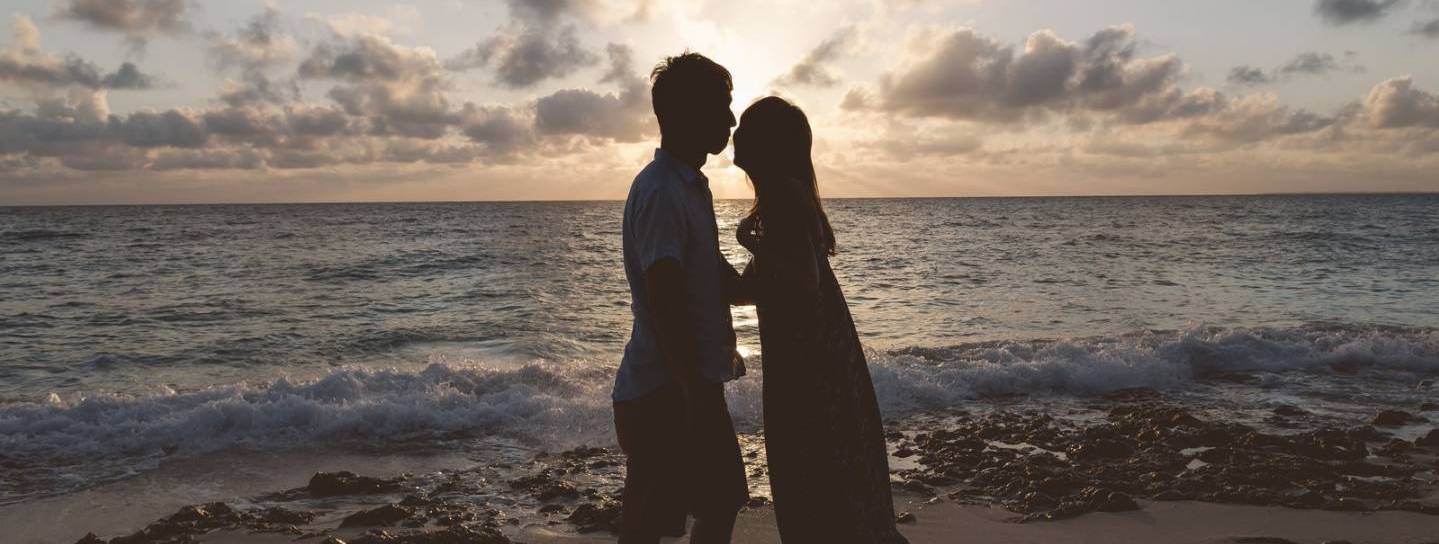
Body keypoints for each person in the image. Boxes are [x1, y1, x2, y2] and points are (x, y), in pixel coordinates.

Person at [733, 96, 909, 543]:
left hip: (810, 369)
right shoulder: (780, 199)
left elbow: (803, 281)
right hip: (810, 364)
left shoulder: (785, 199)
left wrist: (747, 242)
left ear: (767, 146)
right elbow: (748, 290)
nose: (736, 130)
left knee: (815, 489)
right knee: (826, 489)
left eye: (748, 127)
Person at [612, 52, 751, 544]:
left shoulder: (690, 188)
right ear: (690, 113)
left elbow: (723, 282)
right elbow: (663, 295)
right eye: (723, 106)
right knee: (653, 525)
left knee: (720, 501)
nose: (731, 120)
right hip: (664, 389)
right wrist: (690, 387)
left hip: (682, 383)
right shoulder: (663, 190)